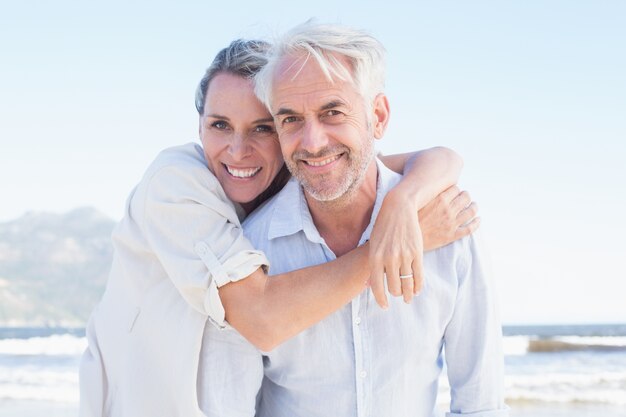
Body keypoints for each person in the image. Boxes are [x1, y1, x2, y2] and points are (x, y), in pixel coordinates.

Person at [79, 39, 478, 417]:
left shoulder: (297, 177)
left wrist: (402, 203)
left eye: (263, 127)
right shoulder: (175, 184)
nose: (238, 150)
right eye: (220, 125)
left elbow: (433, 158)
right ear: (199, 126)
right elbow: (260, 318)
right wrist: (395, 245)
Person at [198, 23, 508, 417]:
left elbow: (482, 406)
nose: (312, 142)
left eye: (332, 112)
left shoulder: (449, 228)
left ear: (377, 116)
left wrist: (403, 201)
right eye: (290, 119)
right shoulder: (249, 251)